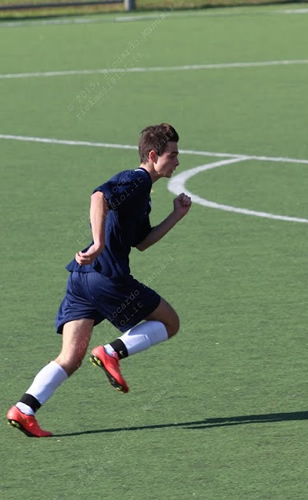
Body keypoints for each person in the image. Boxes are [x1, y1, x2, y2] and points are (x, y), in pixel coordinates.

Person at [7, 123, 192, 438]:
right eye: (172, 155)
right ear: (152, 155)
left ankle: (24, 409)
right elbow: (98, 196)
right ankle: (112, 352)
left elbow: (142, 242)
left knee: (71, 357)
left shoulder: (142, 195)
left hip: (82, 280)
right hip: (107, 278)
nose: (177, 161)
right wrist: (98, 243)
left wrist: (176, 215)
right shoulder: (136, 180)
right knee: (169, 322)